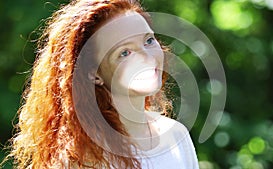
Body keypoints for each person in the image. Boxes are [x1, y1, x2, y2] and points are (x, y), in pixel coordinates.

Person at [7, 0, 199, 168]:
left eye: (148, 40)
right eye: (124, 53)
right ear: (94, 74)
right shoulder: (79, 159)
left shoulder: (176, 135)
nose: (146, 57)